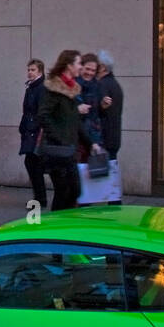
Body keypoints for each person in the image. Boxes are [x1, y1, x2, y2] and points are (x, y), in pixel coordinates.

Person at [39, 50, 98, 212]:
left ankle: (59, 222)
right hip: (57, 150)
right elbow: (43, 116)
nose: (80, 67)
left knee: (73, 190)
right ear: (69, 66)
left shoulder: (71, 89)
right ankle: (55, 226)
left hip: (69, 149)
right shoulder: (54, 89)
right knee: (65, 190)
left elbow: (75, 122)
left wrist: (90, 143)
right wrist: (59, 138)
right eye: (79, 63)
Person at [19, 59, 47, 209]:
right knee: (33, 164)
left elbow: (39, 111)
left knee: (33, 164)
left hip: (35, 131)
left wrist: (32, 125)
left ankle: (40, 198)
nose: (30, 72)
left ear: (40, 72)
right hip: (30, 130)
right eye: (29, 69)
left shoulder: (39, 88)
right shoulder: (32, 87)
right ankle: (39, 197)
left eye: (33, 70)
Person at [96, 50, 124, 168]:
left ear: (102, 67)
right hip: (113, 137)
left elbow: (101, 109)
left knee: (101, 176)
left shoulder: (102, 84)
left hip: (104, 137)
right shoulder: (115, 84)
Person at [79, 53, 105, 155]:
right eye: (87, 69)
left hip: (92, 136)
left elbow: (96, 116)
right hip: (75, 137)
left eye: (93, 70)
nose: (89, 73)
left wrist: (103, 106)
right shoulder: (73, 85)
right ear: (81, 68)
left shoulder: (97, 86)